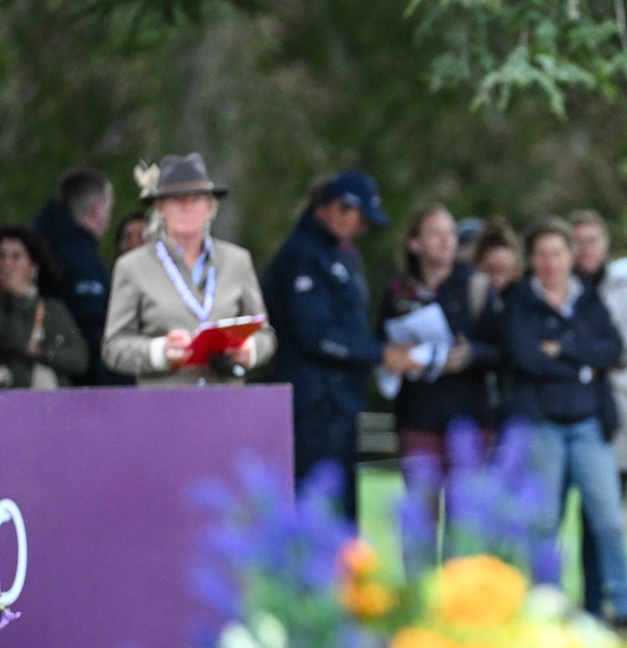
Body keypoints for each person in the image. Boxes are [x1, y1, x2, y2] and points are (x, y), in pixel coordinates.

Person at [503, 218, 627, 628]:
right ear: (532, 260)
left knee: (609, 520)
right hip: (544, 423)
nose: (550, 262)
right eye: (541, 254)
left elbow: (612, 348)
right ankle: (549, 611)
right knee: (545, 522)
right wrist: (580, 364)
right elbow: (526, 358)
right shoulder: (519, 302)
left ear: (570, 257)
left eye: (557, 253)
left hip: (589, 423)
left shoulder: (588, 298)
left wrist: (563, 348)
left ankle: (625, 608)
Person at [266, 170, 416, 516]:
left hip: (343, 401)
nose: (362, 228)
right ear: (335, 208)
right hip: (316, 402)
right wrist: (380, 353)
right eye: (359, 218)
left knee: (346, 507)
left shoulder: (343, 254)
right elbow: (313, 335)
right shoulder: (303, 255)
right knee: (319, 506)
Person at [379, 204, 501, 571]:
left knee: (465, 523)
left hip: (469, 418)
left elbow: (504, 350)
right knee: (418, 519)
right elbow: (379, 343)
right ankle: (418, 608)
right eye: (435, 233)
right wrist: (394, 355)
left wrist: (470, 355)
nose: (446, 241)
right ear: (415, 243)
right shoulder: (398, 291)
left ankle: (458, 608)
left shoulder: (476, 285)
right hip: (418, 416)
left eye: (450, 233)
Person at [103, 155, 277, 388]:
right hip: (164, 406)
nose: (187, 207)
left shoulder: (238, 261)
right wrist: (159, 352)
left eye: (195, 199)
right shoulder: (132, 267)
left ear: (209, 207)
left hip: (228, 405)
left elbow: (266, 336)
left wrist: (249, 351)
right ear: (160, 209)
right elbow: (113, 347)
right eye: (176, 199)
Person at [567, 209, 627, 619]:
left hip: (618, 406)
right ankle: (589, 601)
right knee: (581, 516)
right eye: (577, 240)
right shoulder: (559, 287)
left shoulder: (625, 286)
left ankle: (616, 601)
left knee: (609, 513)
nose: (586, 249)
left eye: (593, 240)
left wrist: (584, 355)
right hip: (567, 406)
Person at [31, 169, 116, 385]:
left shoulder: (34, 241)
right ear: (97, 211)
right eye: (109, 209)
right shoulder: (80, 260)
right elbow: (89, 328)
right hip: (75, 390)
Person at [0, 226, 89, 388]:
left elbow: (80, 360)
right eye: (2, 256)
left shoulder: (52, 310)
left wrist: (43, 353)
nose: (7, 264)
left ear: (33, 267)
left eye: (16, 257)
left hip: (45, 402)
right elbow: (16, 340)